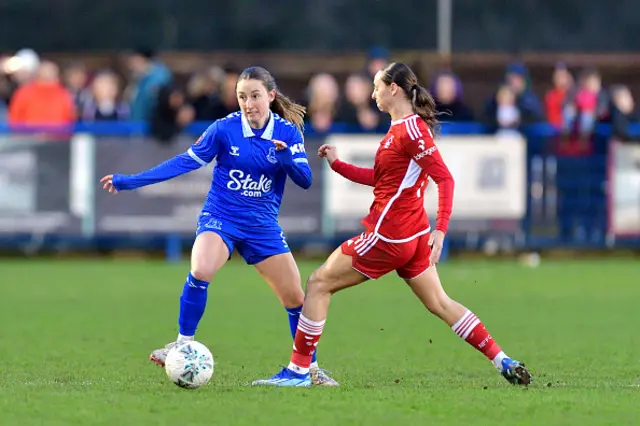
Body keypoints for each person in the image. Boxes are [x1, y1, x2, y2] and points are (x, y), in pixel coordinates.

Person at [253, 62, 532, 387]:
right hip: (412, 237)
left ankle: (299, 372)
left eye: (376, 87)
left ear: (394, 89)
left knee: (317, 284)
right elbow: (381, 178)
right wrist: (337, 164)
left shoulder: (410, 131)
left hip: (390, 236)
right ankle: (503, 360)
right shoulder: (401, 128)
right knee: (440, 303)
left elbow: (445, 179)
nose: (373, 94)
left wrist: (441, 230)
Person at [100, 66, 338, 386]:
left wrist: (285, 160)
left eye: (255, 95)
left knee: (296, 299)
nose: (248, 103)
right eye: (242, 96)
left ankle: (309, 369)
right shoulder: (224, 129)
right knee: (201, 269)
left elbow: (305, 180)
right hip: (221, 217)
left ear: (270, 95)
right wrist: (131, 181)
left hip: (262, 225)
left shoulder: (286, 133)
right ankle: (183, 342)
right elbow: (184, 162)